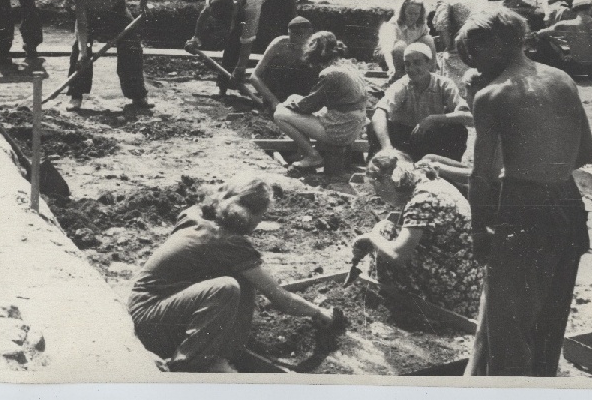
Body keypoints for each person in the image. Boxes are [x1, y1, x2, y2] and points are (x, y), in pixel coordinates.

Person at [456, 8, 592, 377]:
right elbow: (586, 153)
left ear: (498, 43)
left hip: (523, 210)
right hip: (568, 204)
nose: (475, 61)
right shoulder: (562, 79)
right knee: (549, 324)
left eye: (477, 51)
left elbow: (481, 177)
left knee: (508, 331)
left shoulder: (492, 95)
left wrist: (478, 231)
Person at [128, 176, 343, 372]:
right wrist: (318, 313)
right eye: (262, 215)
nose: (260, 222)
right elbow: (279, 297)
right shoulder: (229, 241)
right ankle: (193, 363)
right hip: (150, 321)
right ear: (251, 214)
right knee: (226, 288)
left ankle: (226, 352)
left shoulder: (196, 214)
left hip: (146, 307)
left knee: (242, 280)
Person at [352, 150, 483, 318]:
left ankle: (395, 302)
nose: (379, 197)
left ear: (387, 182)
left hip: (452, 293)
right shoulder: (431, 181)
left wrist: (372, 238)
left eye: (378, 190)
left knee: (385, 234)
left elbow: (397, 255)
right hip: (467, 282)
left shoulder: (421, 200)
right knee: (387, 229)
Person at [186, 0, 297, 96]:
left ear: (235, 6)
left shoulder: (252, 3)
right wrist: (196, 38)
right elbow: (203, 16)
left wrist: (240, 68)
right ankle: (222, 85)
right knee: (235, 34)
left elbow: (248, 40)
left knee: (279, 32)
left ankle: (274, 86)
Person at [67, 0, 152, 112]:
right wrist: (83, 52)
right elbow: (82, 25)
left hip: (118, 19)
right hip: (92, 23)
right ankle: (76, 96)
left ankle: (138, 95)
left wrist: (143, 6)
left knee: (131, 49)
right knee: (79, 53)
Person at [273, 32, 368, 172]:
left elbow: (307, 106)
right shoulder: (349, 67)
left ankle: (312, 156)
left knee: (280, 114)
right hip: (352, 126)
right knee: (299, 105)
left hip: (340, 131)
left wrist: (288, 102)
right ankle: (304, 154)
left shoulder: (330, 73)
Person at [368, 43, 473, 162]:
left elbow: (468, 117)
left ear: (428, 63)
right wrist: (387, 147)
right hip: (405, 138)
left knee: (458, 130)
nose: (411, 69)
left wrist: (433, 119)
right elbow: (379, 113)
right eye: (407, 64)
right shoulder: (402, 85)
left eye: (417, 63)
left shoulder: (443, 84)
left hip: (430, 139)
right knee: (374, 127)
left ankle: (447, 173)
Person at [530, 0, 592, 77]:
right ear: (590, 8)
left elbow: (541, 33)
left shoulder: (565, 24)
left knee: (542, 40)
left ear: (574, 9)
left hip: (572, 69)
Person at [249, 16, 319, 109]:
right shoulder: (280, 44)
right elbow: (254, 76)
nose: (295, 46)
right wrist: (273, 101)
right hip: (276, 91)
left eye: (300, 41)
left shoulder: (315, 47)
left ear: (310, 35)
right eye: (292, 41)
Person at [375, 0, 437, 80]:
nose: (413, 17)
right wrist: (391, 68)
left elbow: (429, 45)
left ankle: (430, 74)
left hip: (411, 58)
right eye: (410, 13)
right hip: (391, 59)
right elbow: (387, 50)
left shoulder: (421, 25)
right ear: (403, 12)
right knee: (400, 45)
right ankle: (399, 76)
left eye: (416, 14)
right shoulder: (393, 26)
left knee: (428, 39)